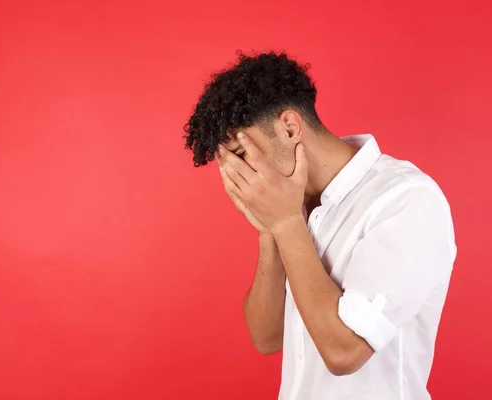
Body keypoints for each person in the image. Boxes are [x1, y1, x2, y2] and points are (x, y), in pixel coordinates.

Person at [183, 51, 457, 400]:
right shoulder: (293, 208)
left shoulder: (406, 199)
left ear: (290, 128)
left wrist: (284, 223)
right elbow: (266, 337)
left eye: (241, 155)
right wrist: (271, 228)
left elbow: (344, 351)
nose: (240, 177)